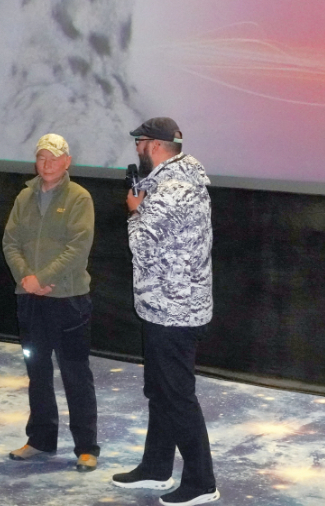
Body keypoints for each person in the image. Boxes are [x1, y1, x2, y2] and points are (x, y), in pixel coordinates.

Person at [111, 118, 220, 505]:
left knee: (176, 396)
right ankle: (156, 467)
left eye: (139, 142)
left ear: (154, 145)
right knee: (161, 391)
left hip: (174, 310)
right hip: (168, 305)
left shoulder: (171, 190)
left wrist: (134, 211)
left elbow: (142, 246)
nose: (136, 149)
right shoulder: (180, 179)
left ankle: (201, 482)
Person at [2, 133, 100, 472]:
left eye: (54, 158)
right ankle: (41, 440)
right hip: (30, 300)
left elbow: (78, 248)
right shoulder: (24, 196)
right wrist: (27, 278)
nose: (47, 164)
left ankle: (86, 447)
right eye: (42, 157)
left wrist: (42, 278)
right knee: (37, 371)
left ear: (67, 161)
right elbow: (10, 242)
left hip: (69, 300)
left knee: (75, 373)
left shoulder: (79, 197)